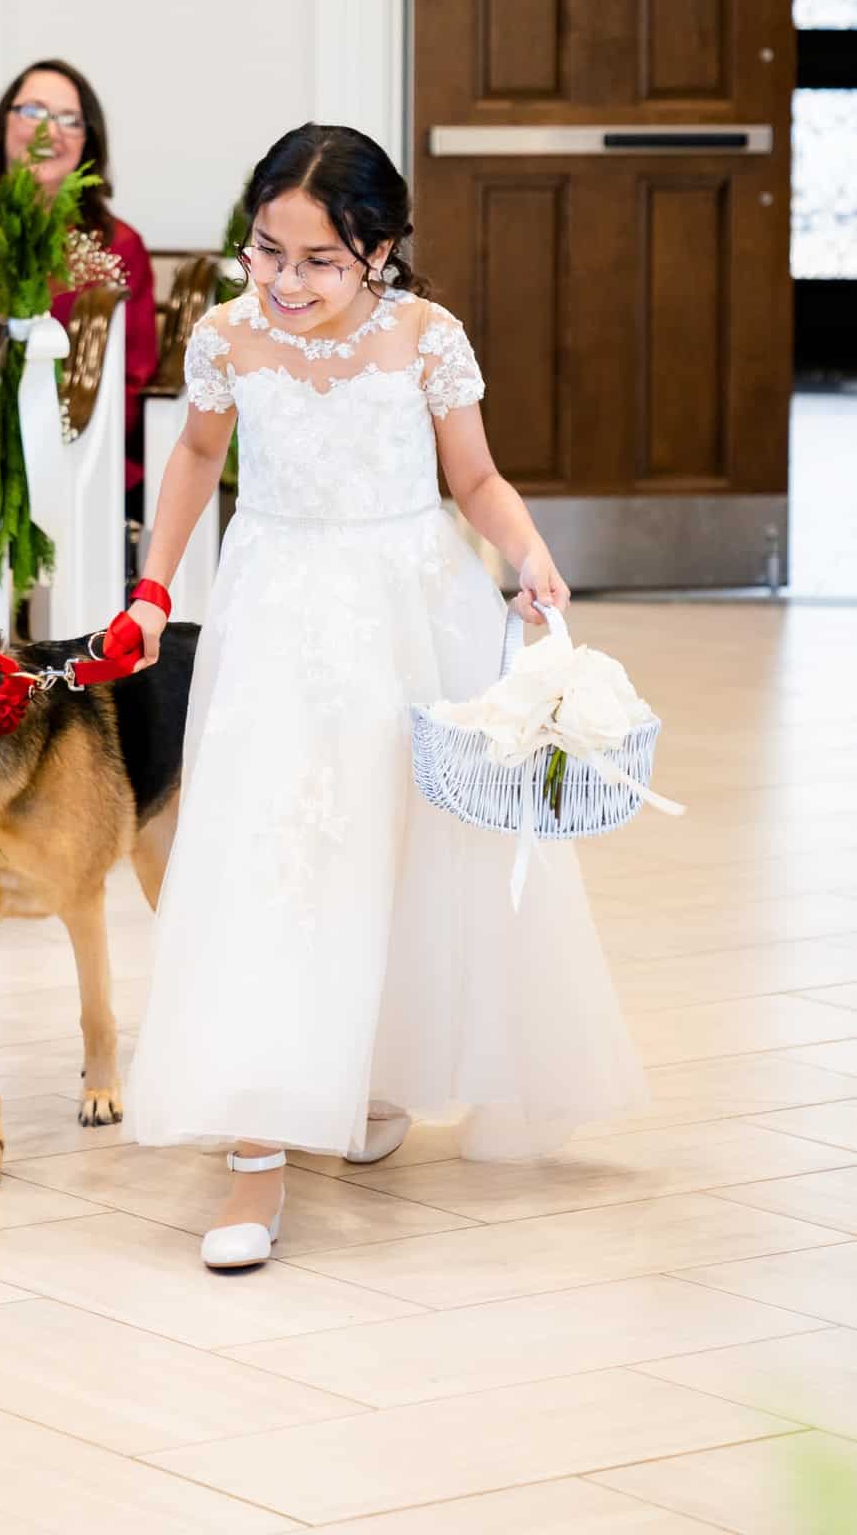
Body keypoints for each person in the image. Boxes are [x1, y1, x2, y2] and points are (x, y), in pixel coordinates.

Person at [123, 123, 646, 1271]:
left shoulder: (425, 337)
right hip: (275, 608)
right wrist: (154, 585)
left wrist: (525, 552)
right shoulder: (228, 337)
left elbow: (474, 475)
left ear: (381, 250)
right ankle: (256, 1149)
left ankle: (361, 1074)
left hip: (412, 603)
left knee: (400, 847)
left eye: (319, 259)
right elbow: (199, 460)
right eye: (268, 251)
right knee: (274, 850)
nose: (287, 281)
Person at [0, 60, 159, 506]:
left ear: (88, 142)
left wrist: (61, 441)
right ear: (4, 123)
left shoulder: (117, 246)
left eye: (70, 121)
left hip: (80, 457)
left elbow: (133, 381)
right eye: (33, 112)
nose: (49, 132)